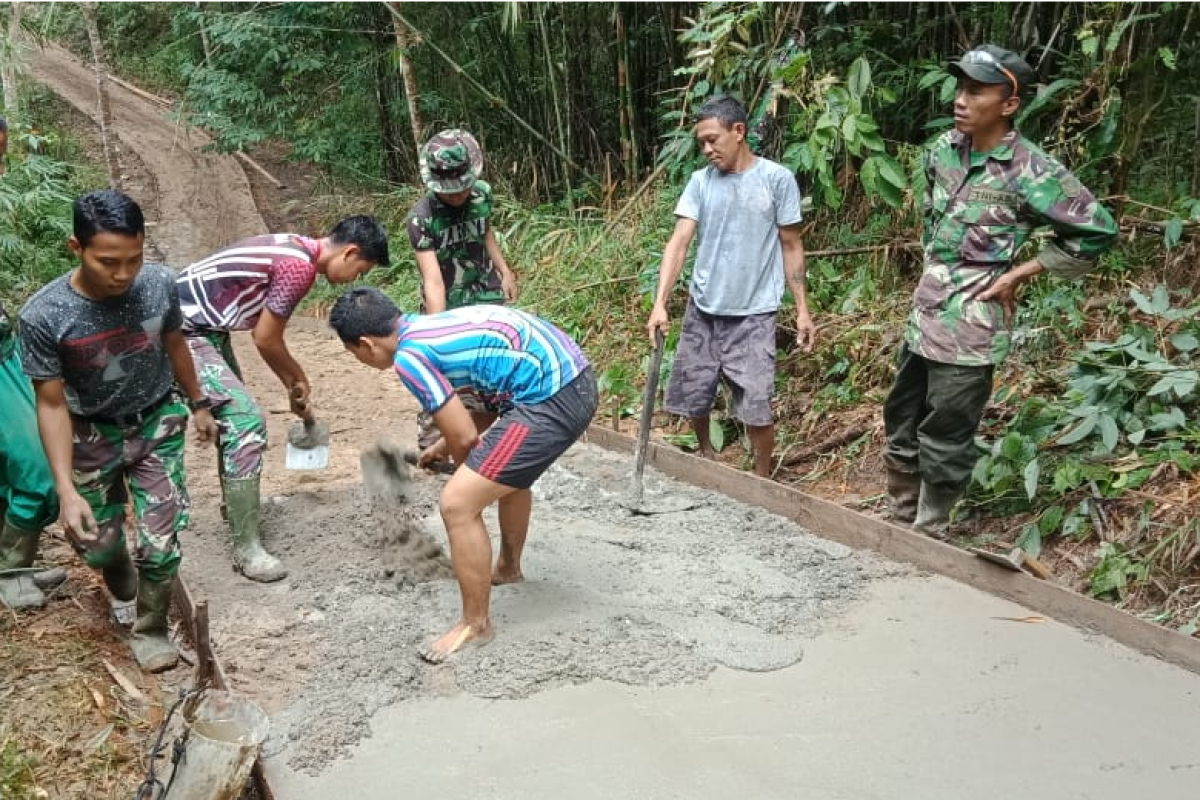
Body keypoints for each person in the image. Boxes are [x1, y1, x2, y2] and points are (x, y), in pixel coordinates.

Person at [882, 45, 1119, 539]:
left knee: (946, 431)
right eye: (960, 88)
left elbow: (1097, 230)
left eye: (975, 91)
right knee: (900, 415)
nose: (961, 99)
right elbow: (933, 222)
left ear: (1009, 104)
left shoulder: (1032, 171)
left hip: (972, 321)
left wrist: (1019, 273)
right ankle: (898, 517)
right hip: (925, 311)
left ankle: (928, 531)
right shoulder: (943, 151)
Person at [328, 286, 596, 663]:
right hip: (575, 381)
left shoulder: (409, 358)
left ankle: (476, 623)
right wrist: (446, 450)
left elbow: (466, 437)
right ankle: (507, 568)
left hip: (550, 399)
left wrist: (464, 473)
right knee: (510, 476)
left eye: (354, 354)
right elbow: (481, 408)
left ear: (365, 344)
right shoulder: (430, 329)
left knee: (457, 505)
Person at [19, 189, 217, 672]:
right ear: (76, 248)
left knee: (162, 543)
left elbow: (174, 342)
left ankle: (149, 628)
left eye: (134, 259)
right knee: (97, 545)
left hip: (155, 423)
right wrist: (65, 490)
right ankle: (119, 571)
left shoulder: (158, 284)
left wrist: (199, 404)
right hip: (89, 433)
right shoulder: (44, 316)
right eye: (108, 261)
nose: (123, 274)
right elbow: (50, 405)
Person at [174, 216, 390, 581]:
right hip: (179, 332)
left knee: (232, 416)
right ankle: (247, 548)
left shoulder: (294, 246)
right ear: (350, 252)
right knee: (244, 421)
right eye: (360, 269)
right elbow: (266, 338)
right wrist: (297, 378)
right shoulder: (297, 267)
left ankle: (236, 506)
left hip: (205, 329)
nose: (355, 278)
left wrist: (292, 385)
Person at [646, 95, 815, 478]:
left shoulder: (776, 180)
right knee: (695, 390)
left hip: (754, 313)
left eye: (712, 139)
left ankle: (761, 477)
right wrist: (660, 303)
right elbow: (679, 242)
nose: (706, 149)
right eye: (701, 142)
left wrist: (803, 308)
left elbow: (791, 244)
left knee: (756, 401)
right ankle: (706, 456)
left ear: (738, 132)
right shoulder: (700, 183)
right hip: (704, 306)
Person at [407, 129, 519, 456]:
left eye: (462, 189)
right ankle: (432, 444)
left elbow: (486, 235)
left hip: (485, 293)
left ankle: (488, 433)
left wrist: (505, 270)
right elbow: (433, 280)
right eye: (450, 192)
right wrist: (437, 329)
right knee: (441, 372)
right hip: (448, 301)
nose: (458, 196)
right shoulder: (420, 219)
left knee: (490, 367)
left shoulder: (482, 195)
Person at [0, 299, 59, 609]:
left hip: (8, 356)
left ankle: (13, 566)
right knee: (39, 470)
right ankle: (12, 571)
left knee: (14, 472)